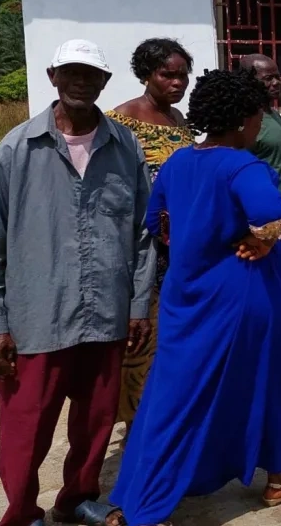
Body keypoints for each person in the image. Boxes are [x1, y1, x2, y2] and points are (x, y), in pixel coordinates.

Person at [110, 69, 281, 526]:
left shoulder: (177, 162)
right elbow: (271, 214)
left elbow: (157, 222)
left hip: (185, 295)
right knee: (254, 385)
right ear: (244, 119)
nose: (259, 125)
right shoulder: (243, 166)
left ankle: (145, 490)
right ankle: (271, 480)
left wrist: (197, 239)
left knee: (173, 394)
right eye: (257, 116)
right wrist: (262, 240)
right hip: (240, 296)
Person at [0, 40, 155, 526]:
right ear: (52, 76)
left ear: (104, 82)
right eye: (71, 72)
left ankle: (77, 498)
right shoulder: (17, 148)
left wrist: (137, 305)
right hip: (37, 315)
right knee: (27, 425)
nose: (81, 81)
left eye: (90, 74)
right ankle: (23, 513)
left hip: (107, 312)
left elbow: (142, 234)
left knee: (96, 419)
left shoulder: (125, 146)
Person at [107, 37, 195, 431]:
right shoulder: (120, 122)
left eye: (183, 75)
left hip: (180, 251)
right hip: (141, 249)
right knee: (139, 339)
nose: (177, 83)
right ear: (146, 74)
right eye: (167, 75)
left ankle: (164, 422)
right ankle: (135, 427)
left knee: (171, 338)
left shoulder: (179, 121)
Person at [237, 54, 281, 194]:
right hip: (264, 200)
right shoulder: (245, 121)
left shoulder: (274, 115)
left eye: (277, 77)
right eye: (268, 78)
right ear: (249, 82)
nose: (276, 82)